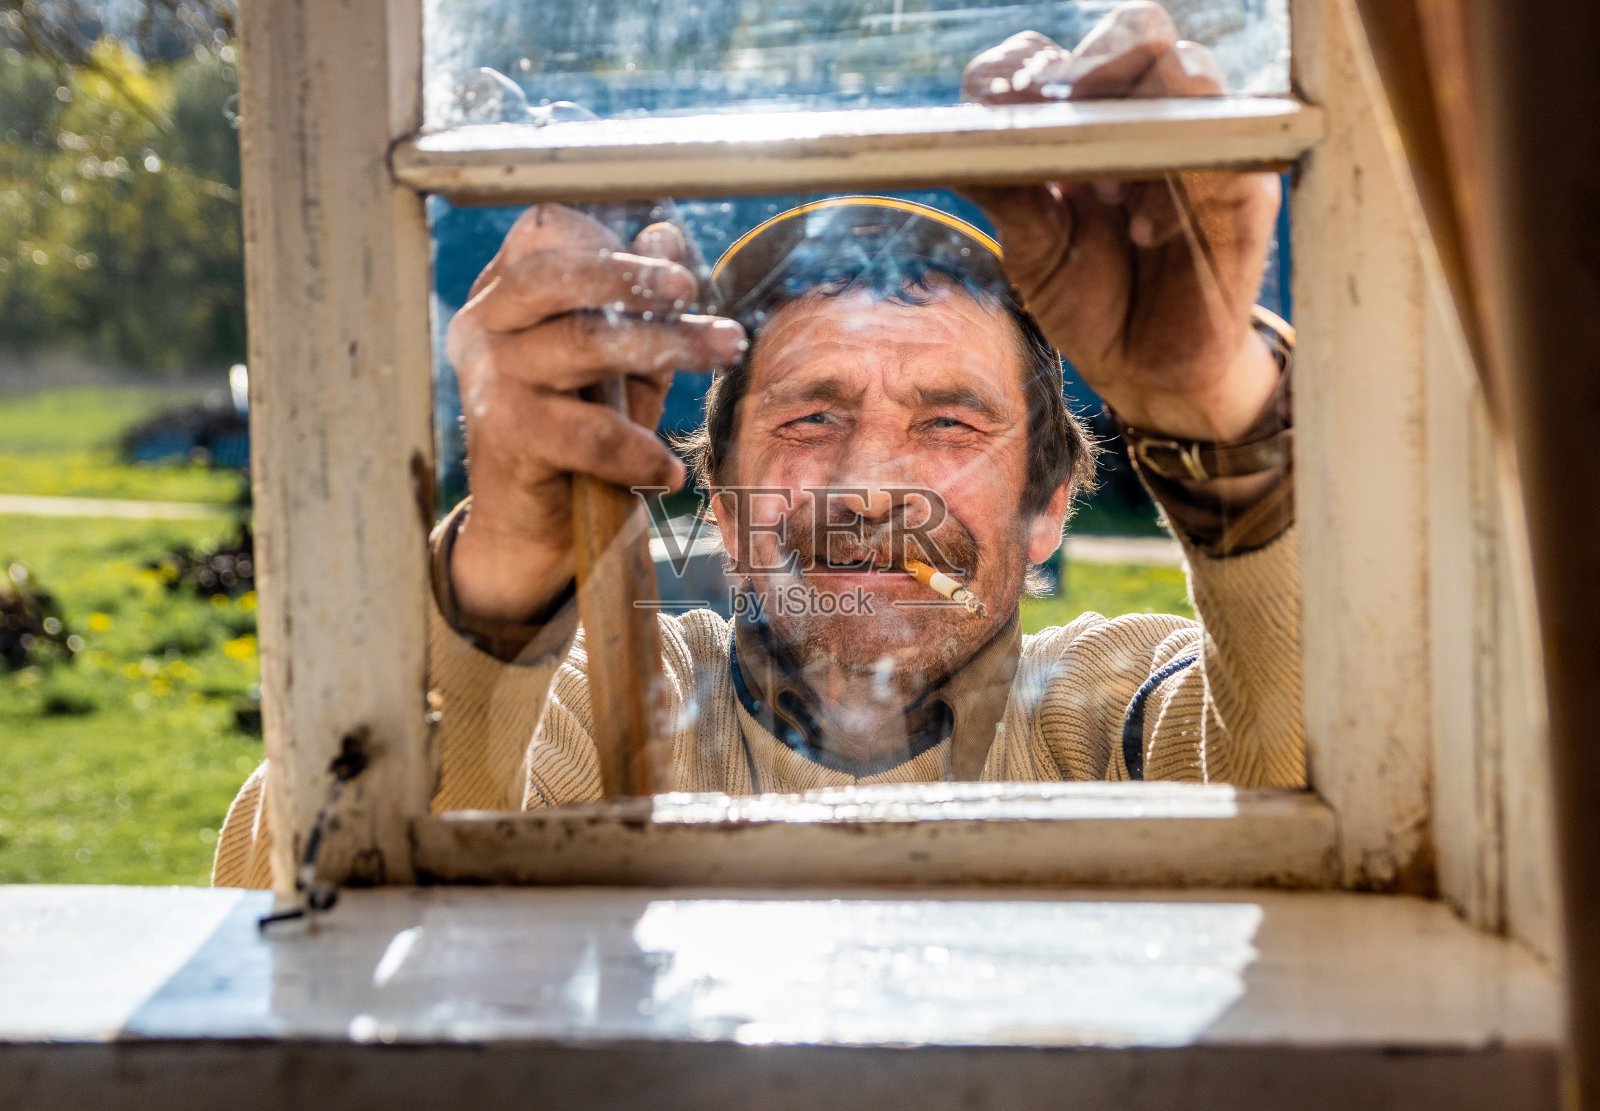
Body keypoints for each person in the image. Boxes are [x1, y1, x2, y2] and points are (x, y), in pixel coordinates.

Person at [213, 2, 1301, 888]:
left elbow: (1332, 760)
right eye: (810, 418)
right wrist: (505, 556)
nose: (868, 488)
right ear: (723, 501)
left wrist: (1214, 406)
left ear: (1049, 503)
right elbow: (302, 877)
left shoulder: (1113, 713)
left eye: (949, 423)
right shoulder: (603, 708)